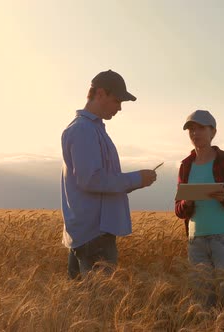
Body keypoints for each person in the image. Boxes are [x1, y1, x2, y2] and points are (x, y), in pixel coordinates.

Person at [61, 69, 157, 279]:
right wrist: (136, 179)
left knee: (81, 304)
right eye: (117, 100)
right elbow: (91, 179)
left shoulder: (90, 129)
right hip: (94, 233)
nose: (120, 108)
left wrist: (136, 181)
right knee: (99, 304)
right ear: (100, 94)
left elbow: (97, 179)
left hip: (88, 232)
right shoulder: (84, 130)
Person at [174, 110, 224, 307]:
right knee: (201, 302)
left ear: (213, 132)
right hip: (196, 241)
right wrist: (187, 203)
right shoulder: (186, 165)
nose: (195, 133)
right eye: (191, 129)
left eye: (201, 128)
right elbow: (178, 210)